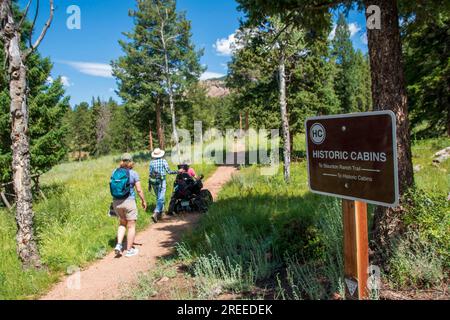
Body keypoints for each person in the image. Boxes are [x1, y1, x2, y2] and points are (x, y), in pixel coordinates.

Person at [110, 153, 147, 258]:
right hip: (129, 201)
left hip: (116, 202)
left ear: (121, 161)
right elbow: (139, 190)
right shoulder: (134, 173)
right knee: (131, 226)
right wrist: (143, 200)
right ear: (131, 162)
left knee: (122, 223)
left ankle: (119, 245)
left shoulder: (114, 172)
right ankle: (129, 250)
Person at [149, 148, 177, 223]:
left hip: (154, 182)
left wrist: (149, 185)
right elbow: (169, 171)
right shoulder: (163, 161)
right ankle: (156, 212)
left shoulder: (151, 162)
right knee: (161, 198)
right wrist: (177, 172)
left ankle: (161, 214)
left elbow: (150, 174)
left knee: (159, 198)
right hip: (161, 181)